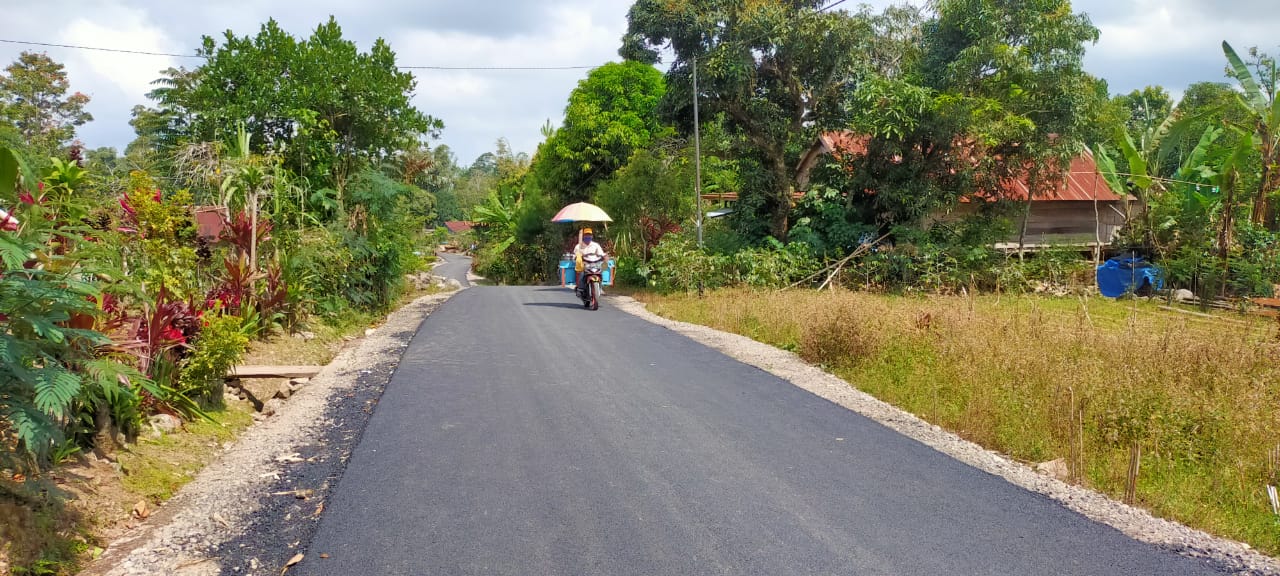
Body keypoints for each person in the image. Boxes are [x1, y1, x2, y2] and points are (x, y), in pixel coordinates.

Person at [573, 227, 606, 294]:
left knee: (600, 273)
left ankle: (600, 287)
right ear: (583, 236)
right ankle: (580, 288)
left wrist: (604, 256)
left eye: (589, 235)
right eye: (586, 235)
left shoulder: (596, 245)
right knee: (581, 273)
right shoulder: (579, 246)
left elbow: (601, 253)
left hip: (594, 264)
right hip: (585, 264)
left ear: (592, 236)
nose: (588, 236)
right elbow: (576, 255)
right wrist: (579, 256)